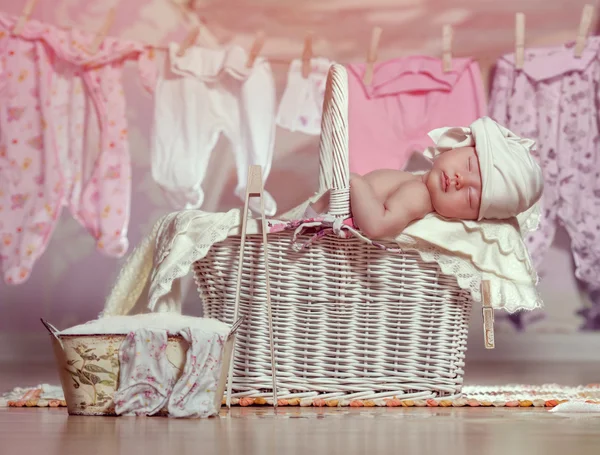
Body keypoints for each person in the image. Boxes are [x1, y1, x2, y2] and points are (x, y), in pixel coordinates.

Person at [307, 117, 544, 239]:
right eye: (470, 164)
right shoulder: (417, 181)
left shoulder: (419, 197)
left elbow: (377, 225)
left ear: (470, 218)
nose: (462, 181)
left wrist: (355, 182)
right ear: (460, 146)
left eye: (472, 197)